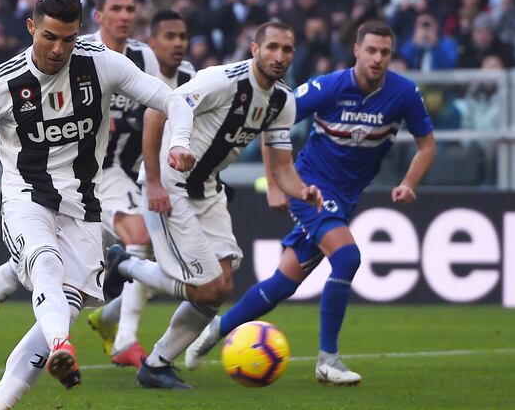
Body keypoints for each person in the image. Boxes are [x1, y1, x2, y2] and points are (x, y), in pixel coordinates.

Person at [0, 0, 195, 410]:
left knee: (56, 310)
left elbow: (174, 100)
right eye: (49, 37)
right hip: (26, 196)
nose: (58, 48)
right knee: (44, 264)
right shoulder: (2, 84)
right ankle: (64, 343)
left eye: (67, 38)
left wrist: (180, 142)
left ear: (79, 31)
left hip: (84, 207)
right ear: (31, 28)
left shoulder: (102, 63)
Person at [185, 20, 437, 386]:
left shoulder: (403, 94)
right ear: (356, 51)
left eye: (385, 52)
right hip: (309, 188)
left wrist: (409, 183)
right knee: (348, 256)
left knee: (282, 285)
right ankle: (328, 359)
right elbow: (273, 122)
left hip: (346, 198)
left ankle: (213, 330)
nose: (378, 58)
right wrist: (274, 185)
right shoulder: (328, 87)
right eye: (371, 50)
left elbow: (427, 145)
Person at [0, 0, 165, 372]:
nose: (126, 16)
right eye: (117, 8)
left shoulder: (140, 57)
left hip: (97, 182)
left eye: (131, 9)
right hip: (81, 175)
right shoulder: (77, 50)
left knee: (31, 266)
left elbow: (161, 105)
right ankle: (121, 333)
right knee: (121, 241)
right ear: (99, 16)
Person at [103, 21, 323, 389]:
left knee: (220, 288)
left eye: (286, 50)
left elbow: (283, 170)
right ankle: (126, 265)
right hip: (170, 186)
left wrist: (303, 191)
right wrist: (154, 179)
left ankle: (156, 365)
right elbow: (158, 111)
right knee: (203, 284)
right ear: (254, 49)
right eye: (271, 47)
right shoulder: (224, 80)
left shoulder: (283, 101)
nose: (279, 56)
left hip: (206, 189)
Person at [89, 9, 197, 368]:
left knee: (152, 256)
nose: (178, 44)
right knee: (139, 242)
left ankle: (110, 322)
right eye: (170, 36)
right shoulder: (133, 71)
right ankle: (123, 339)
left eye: (183, 37)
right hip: (111, 173)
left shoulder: (190, 79)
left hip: (149, 178)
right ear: (151, 44)